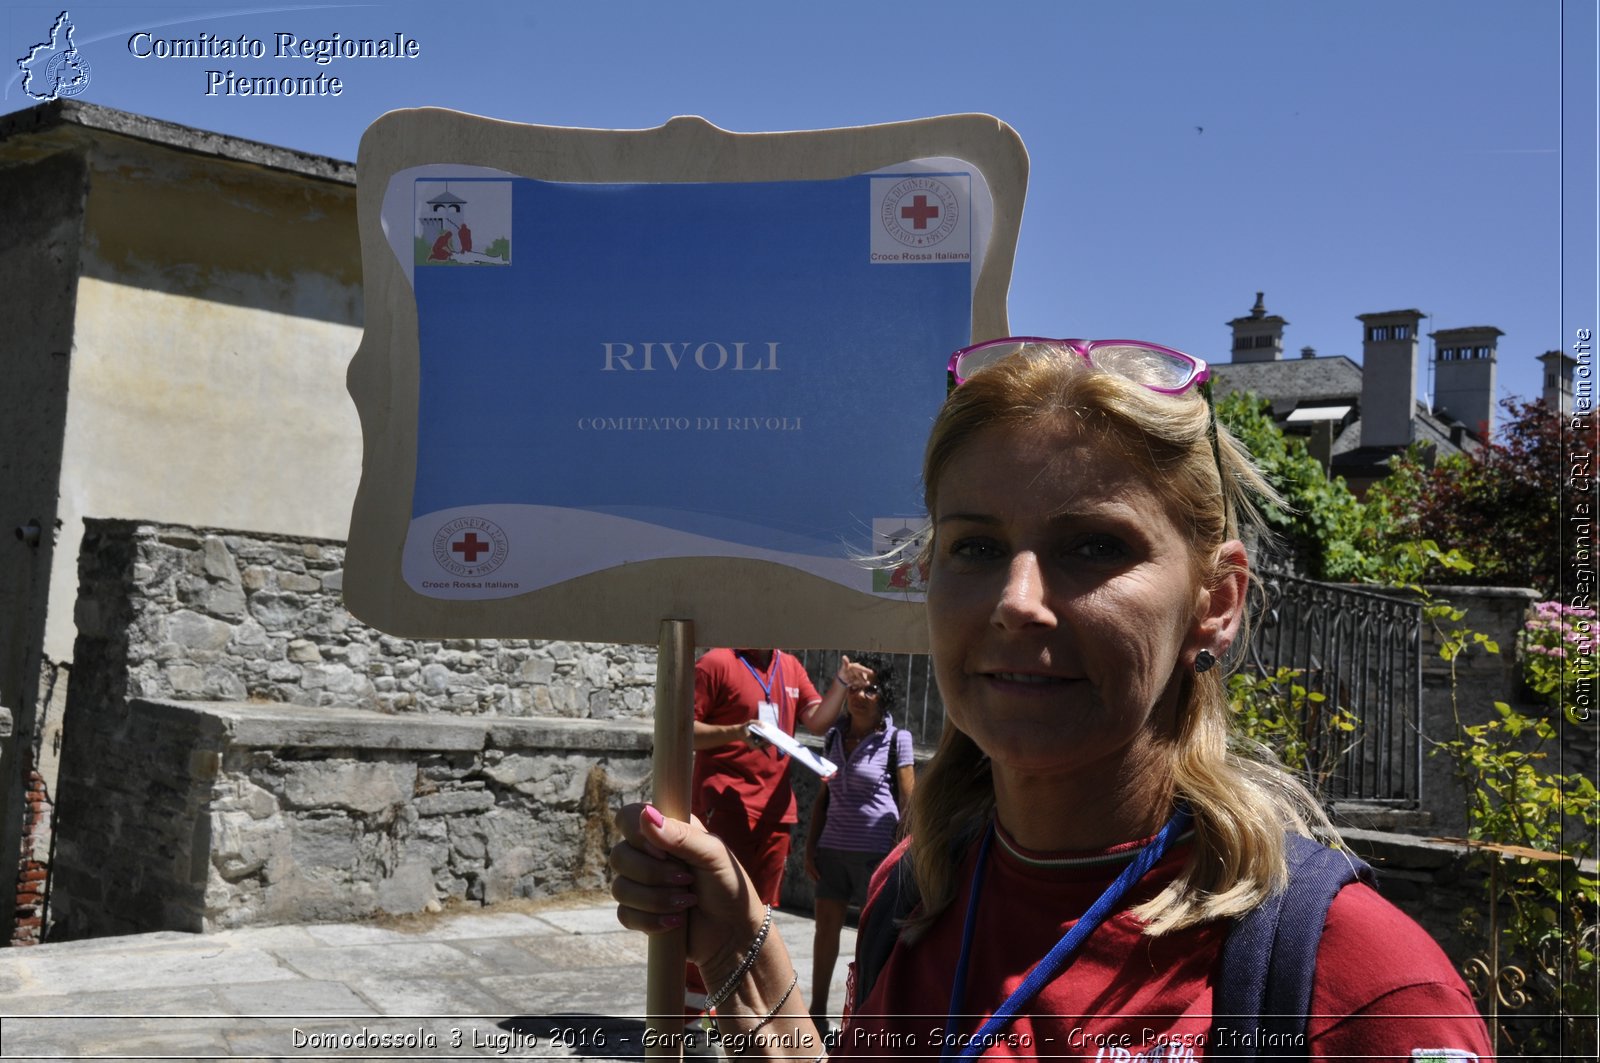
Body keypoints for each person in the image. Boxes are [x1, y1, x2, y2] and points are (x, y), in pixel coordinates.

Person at [612, 341, 1493, 1060]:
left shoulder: (1365, 987)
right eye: (975, 547)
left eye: (1093, 544)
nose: (1016, 600)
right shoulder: (909, 899)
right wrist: (738, 947)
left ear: (1216, 602)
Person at [680, 648, 859, 1026]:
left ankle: (737, 1015)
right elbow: (683, 730)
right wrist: (737, 733)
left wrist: (841, 684)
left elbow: (815, 721)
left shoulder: (790, 665)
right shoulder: (716, 663)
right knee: (712, 912)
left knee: (756, 919)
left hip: (776, 813)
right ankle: (688, 1020)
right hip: (725, 807)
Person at [801, 654, 915, 1027]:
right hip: (833, 850)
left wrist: (906, 855)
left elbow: (908, 801)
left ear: (885, 697)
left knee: (874, 941)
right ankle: (817, 1013)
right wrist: (811, 846)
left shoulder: (898, 739)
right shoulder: (833, 735)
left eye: (871, 689)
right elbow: (823, 799)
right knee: (824, 935)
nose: (860, 695)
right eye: (854, 687)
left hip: (876, 857)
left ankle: (868, 1016)